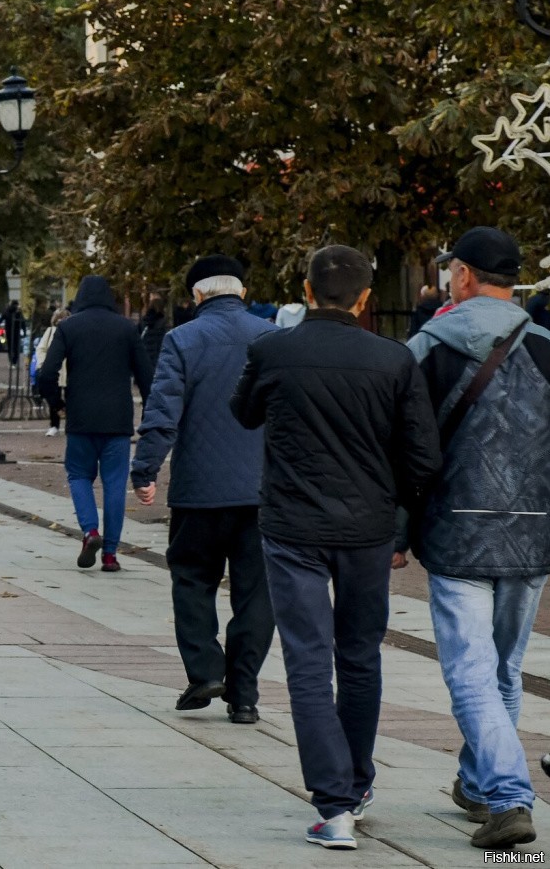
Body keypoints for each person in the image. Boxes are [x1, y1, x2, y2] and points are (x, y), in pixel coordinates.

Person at [233, 245, 441, 851]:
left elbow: (243, 413)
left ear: (305, 289)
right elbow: (424, 457)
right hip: (367, 531)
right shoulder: (394, 360)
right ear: (365, 297)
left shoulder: (273, 350)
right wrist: (396, 508)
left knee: (307, 660)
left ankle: (334, 804)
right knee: (359, 656)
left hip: (292, 526)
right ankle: (357, 781)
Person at [404, 226, 550, 851]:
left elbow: (404, 442)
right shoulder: (548, 347)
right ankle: (478, 781)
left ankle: (510, 797)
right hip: (535, 534)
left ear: (462, 276)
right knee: (505, 668)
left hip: (457, 527)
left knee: (469, 670)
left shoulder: (429, 347)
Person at [129, 255, 277, 724]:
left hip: (199, 492)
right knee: (257, 594)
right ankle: (245, 695)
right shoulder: (272, 338)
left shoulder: (183, 339)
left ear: (197, 295)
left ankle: (206, 670)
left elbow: (163, 410)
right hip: (263, 493)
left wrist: (145, 469)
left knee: (192, 580)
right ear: (242, 293)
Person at [36, 275, 152, 573]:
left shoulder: (68, 327)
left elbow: (47, 373)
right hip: (117, 419)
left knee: (78, 475)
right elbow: (145, 375)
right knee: (115, 484)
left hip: (80, 417)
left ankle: (90, 532)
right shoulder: (126, 328)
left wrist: (57, 404)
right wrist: (150, 412)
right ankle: (111, 555)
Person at [31, 306, 68, 436]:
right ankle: (54, 425)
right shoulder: (50, 332)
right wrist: (42, 365)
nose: (62, 320)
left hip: (69, 370)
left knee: (72, 396)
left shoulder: (72, 331)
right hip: (54, 370)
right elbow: (41, 349)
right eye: (60, 318)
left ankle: (71, 425)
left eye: (64, 317)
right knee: (53, 396)